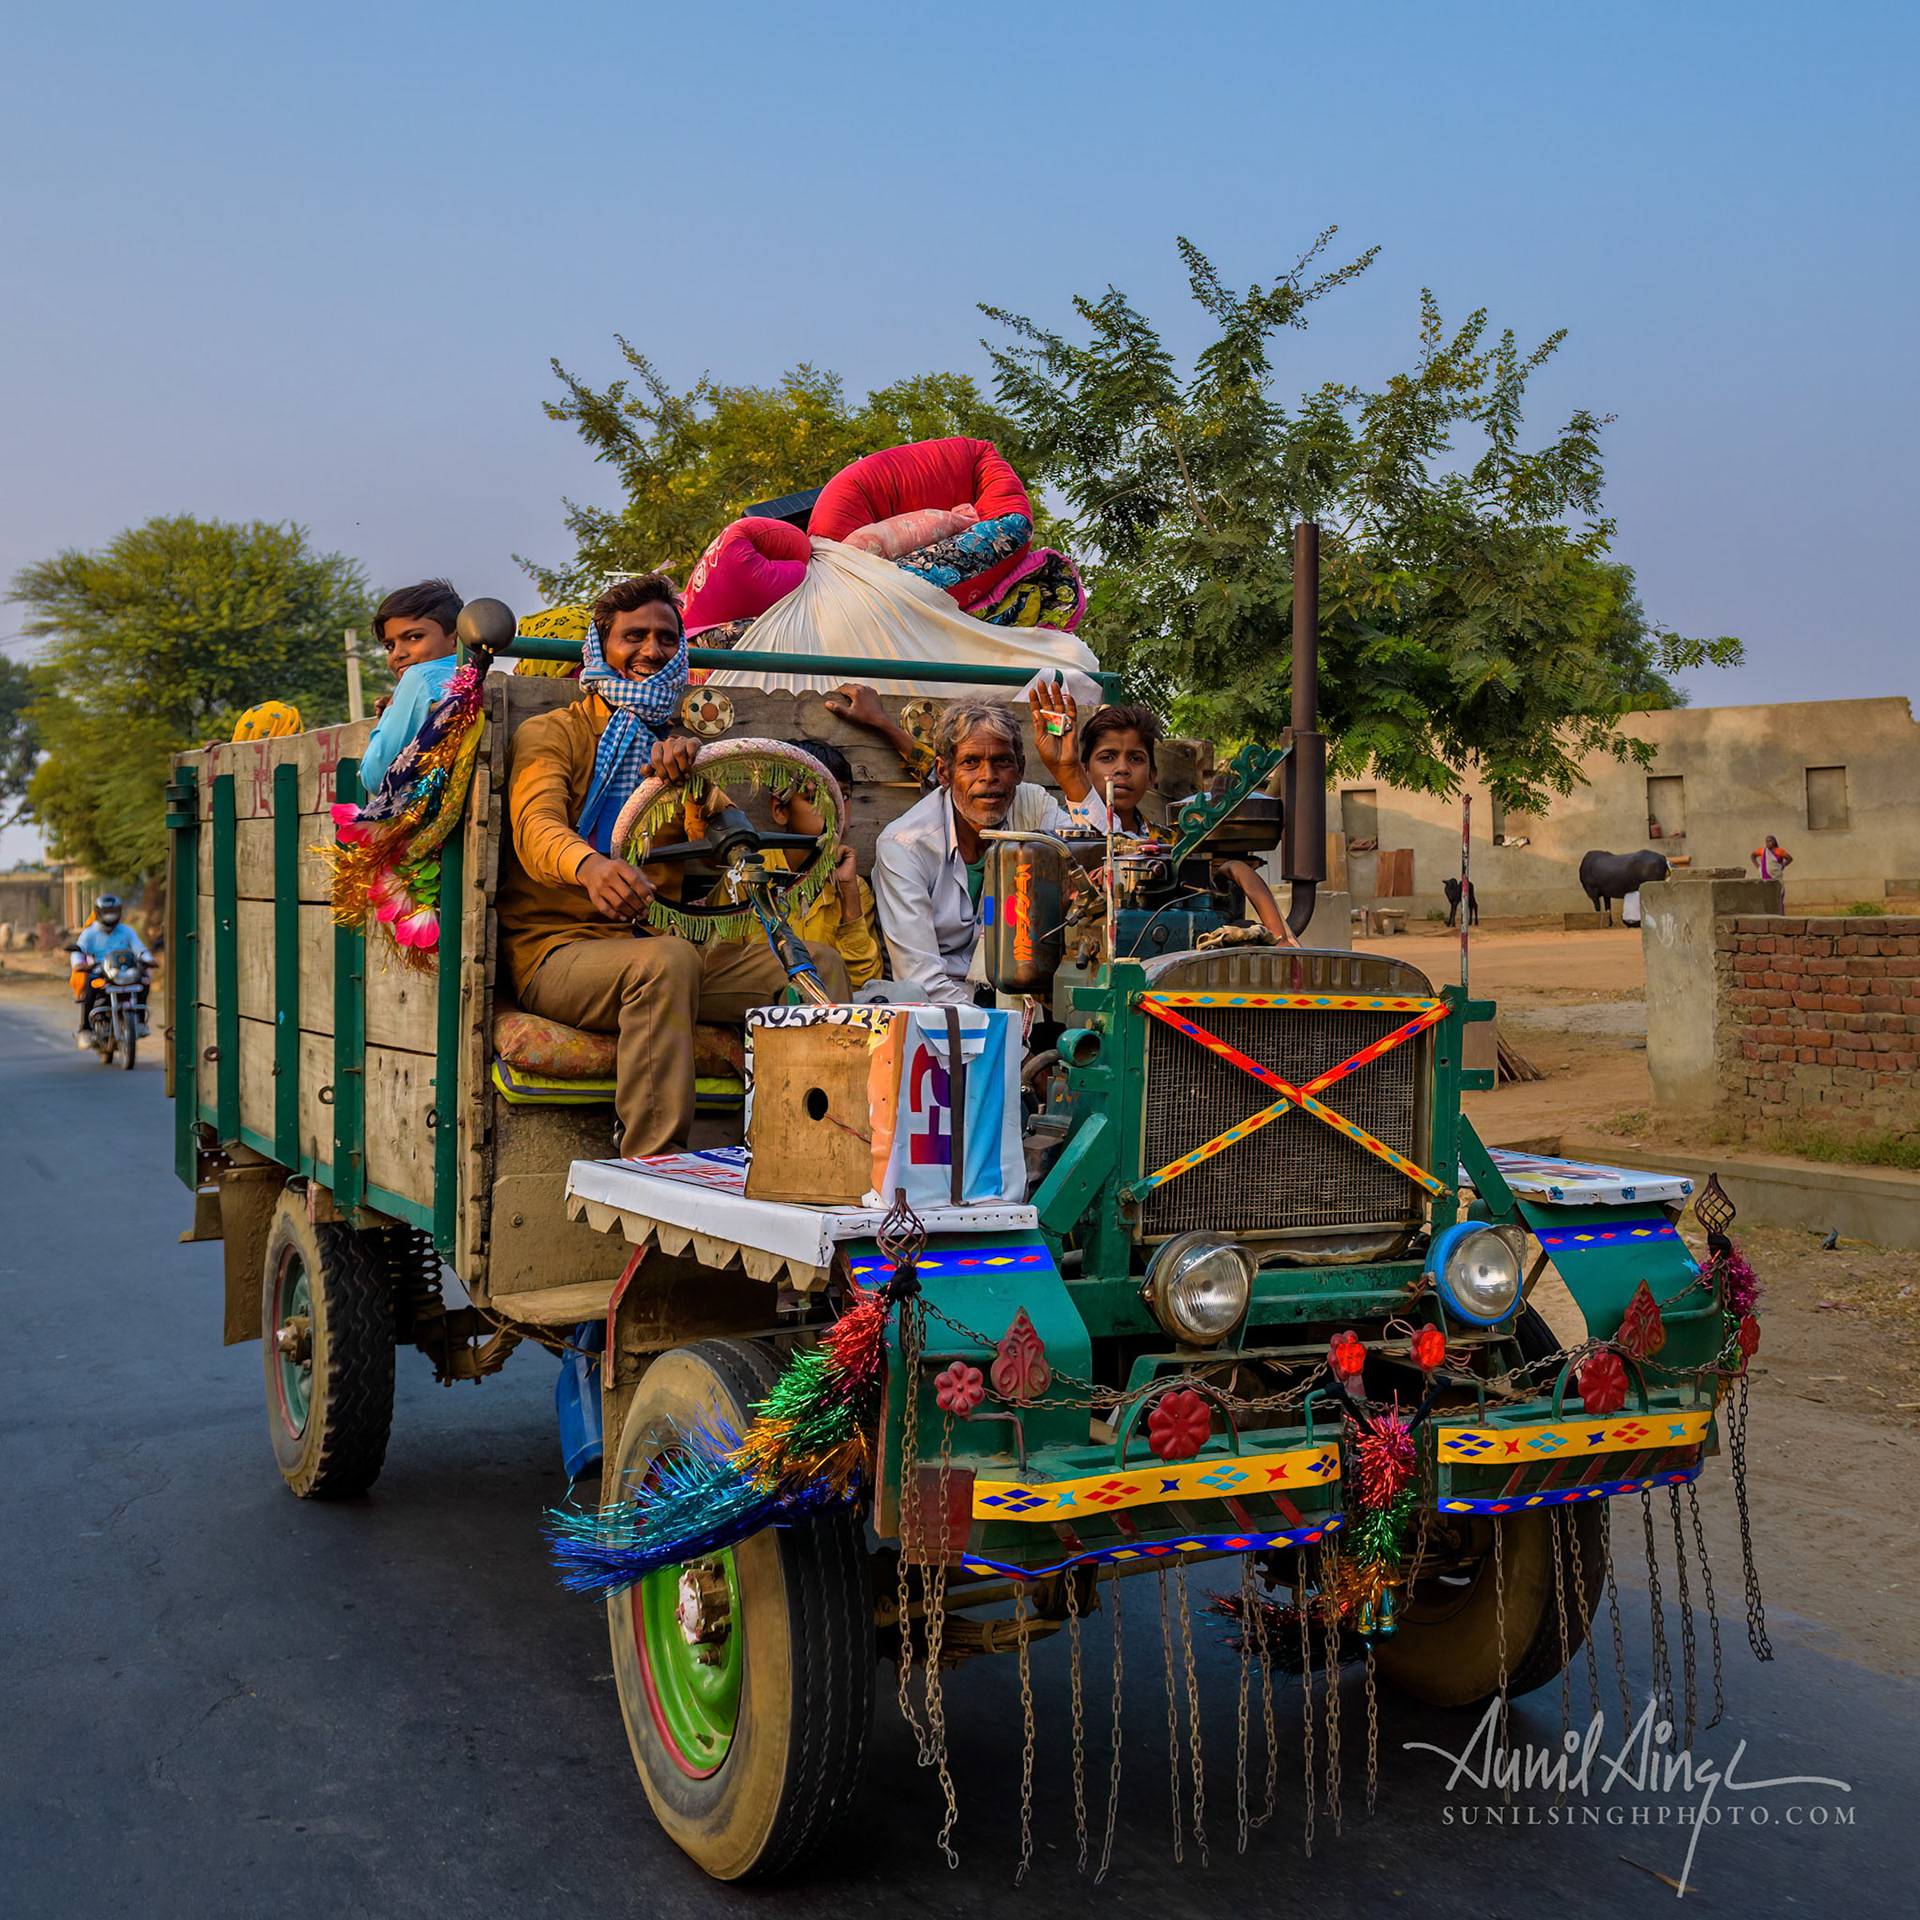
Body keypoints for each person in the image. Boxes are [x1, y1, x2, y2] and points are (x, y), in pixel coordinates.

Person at [498, 573, 850, 1156]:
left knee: (818, 968)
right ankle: (652, 1166)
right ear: (600, 648)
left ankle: (808, 1157)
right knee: (665, 961)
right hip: (556, 952)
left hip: (660, 944)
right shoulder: (551, 733)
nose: (651, 651)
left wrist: (694, 785)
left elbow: (746, 857)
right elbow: (537, 827)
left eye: (665, 638)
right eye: (633, 636)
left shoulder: (680, 752)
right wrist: (590, 869)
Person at [870, 685, 1107, 1005]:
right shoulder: (905, 846)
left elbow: (1105, 862)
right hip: (945, 1011)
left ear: (1021, 768)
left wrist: (1068, 770)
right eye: (970, 762)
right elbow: (921, 978)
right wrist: (1000, 1033)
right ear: (944, 772)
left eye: (1002, 761)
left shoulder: (1032, 804)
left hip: (1027, 996)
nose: (988, 776)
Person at [1080, 703, 1292, 943]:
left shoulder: (1175, 843)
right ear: (1085, 771)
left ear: (1152, 776)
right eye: (1107, 757)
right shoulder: (1067, 836)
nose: (1121, 769)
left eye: (1135, 759)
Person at [708, 739, 883, 990]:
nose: (835, 810)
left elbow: (865, 983)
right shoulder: (744, 877)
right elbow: (728, 974)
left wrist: (849, 895)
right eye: (814, 799)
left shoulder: (852, 886)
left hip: (838, 1012)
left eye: (843, 796)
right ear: (780, 810)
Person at [358, 579, 463, 793]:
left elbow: (377, 776)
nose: (398, 653)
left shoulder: (419, 677)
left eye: (415, 637)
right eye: (390, 646)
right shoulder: (474, 678)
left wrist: (390, 711)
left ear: (456, 640)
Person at [71, 894, 152, 1047]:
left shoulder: (126, 931)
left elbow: (139, 949)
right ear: (99, 913)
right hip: (99, 970)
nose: (110, 916)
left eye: (113, 912)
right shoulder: (89, 933)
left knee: (145, 980)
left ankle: (140, 1022)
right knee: (91, 985)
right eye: (106, 912)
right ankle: (85, 1029)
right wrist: (77, 964)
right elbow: (79, 951)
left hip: (124, 970)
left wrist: (147, 960)